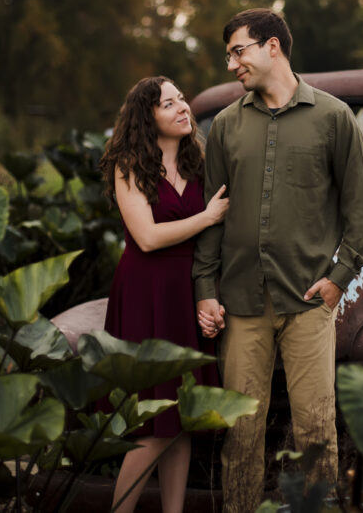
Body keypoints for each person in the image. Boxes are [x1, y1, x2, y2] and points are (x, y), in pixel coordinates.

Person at [193, 9, 363, 513]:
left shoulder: (334, 117)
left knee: (316, 427)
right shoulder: (227, 126)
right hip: (240, 302)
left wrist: (339, 278)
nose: (232, 64)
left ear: (272, 46)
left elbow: (362, 210)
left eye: (239, 50)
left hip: (307, 302)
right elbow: (212, 216)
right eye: (228, 54)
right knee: (241, 432)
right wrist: (205, 289)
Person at [100, 76, 229, 513]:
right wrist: (208, 217)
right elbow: (148, 238)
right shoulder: (129, 165)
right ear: (146, 117)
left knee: (180, 422)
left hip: (185, 292)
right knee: (152, 423)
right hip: (145, 293)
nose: (182, 107)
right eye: (168, 103)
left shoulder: (199, 164)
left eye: (181, 99)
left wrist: (208, 295)